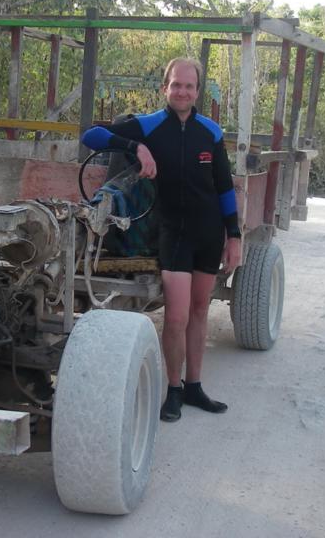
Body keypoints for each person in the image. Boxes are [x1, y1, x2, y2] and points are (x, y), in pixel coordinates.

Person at [81, 57, 242, 422]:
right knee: (176, 317)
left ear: (198, 91)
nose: (182, 91)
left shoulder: (211, 132)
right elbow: (91, 135)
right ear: (165, 88)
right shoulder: (149, 126)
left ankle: (195, 386)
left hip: (208, 231)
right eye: (176, 85)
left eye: (189, 86)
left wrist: (233, 236)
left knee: (201, 311)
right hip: (172, 232)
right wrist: (134, 146)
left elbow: (224, 188)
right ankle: (173, 389)